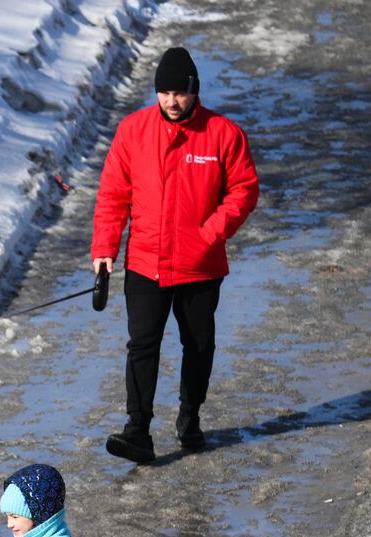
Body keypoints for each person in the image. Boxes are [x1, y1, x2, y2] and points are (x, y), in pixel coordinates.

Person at [92, 47, 260, 463]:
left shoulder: (223, 134)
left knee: (198, 345)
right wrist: (104, 249)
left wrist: (210, 234)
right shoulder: (133, 131)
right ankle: (138, 429)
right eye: (163, 92)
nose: (171, 101)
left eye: (178, 93)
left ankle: (190, 416)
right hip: (146, 262)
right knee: (142, 345)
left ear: (193, 92)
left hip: (200, 266)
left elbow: (244, 190)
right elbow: (113, 195)